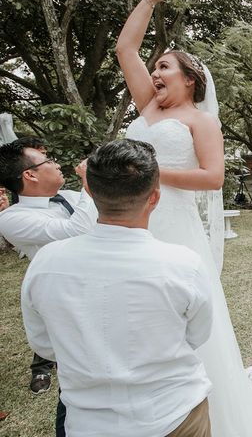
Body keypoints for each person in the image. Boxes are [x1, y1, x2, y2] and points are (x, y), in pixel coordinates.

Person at [117, 0, 252, 435]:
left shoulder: (202, 122)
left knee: (183, 313)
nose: (155, 73)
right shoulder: (148, 108)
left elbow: (213, 178)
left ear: (190, 81)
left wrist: (149, 172)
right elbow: (125, 48)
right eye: (155, 67)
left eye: (164, 67)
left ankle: (205, 410)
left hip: (175, 227)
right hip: (130, 222)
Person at [22, 139, 214, 437]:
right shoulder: (184, 264)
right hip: (175, 417)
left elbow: (43, 345)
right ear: (154, 198)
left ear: (91, 192)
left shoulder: (46, 262)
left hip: (89, 424)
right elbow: (197, 335)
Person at [0, 137, 98, 434]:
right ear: (29, 175)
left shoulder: (72, 195)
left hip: (101, 289)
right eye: (47, 161)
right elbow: (77, 231)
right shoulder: (12, 218)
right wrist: (89, 185)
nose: (56, 163)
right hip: (67, 302)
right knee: (75, 387)